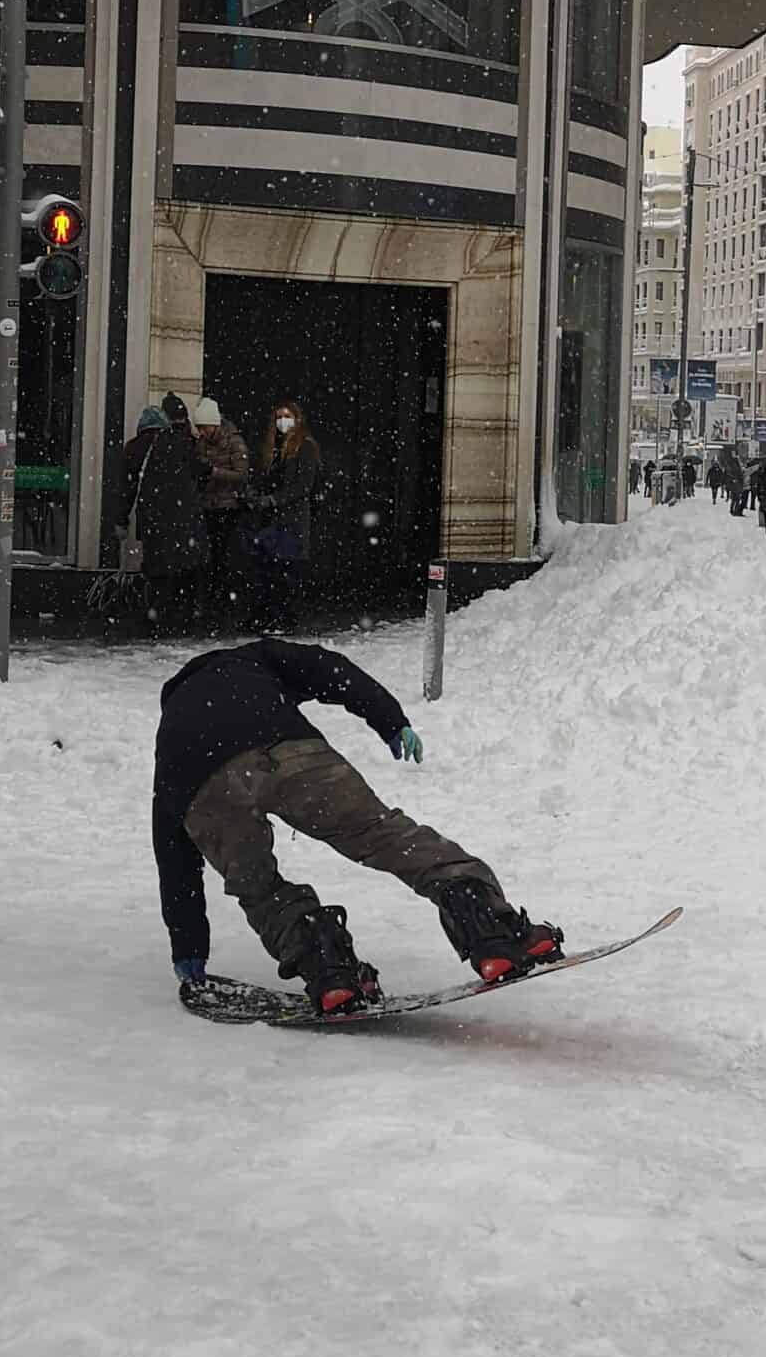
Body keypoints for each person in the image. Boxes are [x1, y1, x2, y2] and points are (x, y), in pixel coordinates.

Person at [152, 637, 562, 1011]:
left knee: (257, 887)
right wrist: (390, 720)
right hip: (287, 750)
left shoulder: (169, 739)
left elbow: (174, 861)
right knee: (381, 835)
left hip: (203, 790)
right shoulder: (251, 659)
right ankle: (491, 932)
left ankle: (330, 971)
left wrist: (188, 952)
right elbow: (332, 670)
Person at [122, 395, 211, 635]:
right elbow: (200, 470)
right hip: (183, 517)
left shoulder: (134, 448)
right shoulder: (180, 442)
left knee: (157, 568)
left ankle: (156, 616)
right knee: (185, 567)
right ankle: (184, 617)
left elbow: (128, 487)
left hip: (153, 518)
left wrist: (121, 519)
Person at [254, 396, 327, 629]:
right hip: (272, 518)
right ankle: (268, 615)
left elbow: (303, 485)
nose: (283, 422)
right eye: (279, 417)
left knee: (287, 571)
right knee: (269, 570)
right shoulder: (273, 448)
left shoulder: (305, 446)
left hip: (292, 519)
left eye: (287, 417)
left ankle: (285, 618)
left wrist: (275, 499)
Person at [191, 396, 252, 628]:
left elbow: (242, 475)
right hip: (209, 507)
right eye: (199, 428)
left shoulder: (234, 442)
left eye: (204, 427)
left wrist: (213, 472)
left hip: (228, 509)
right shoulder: (203, 443)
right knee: (212, 561)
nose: (202, 432)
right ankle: (213, 607)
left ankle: (224, 608)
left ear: (214, 424)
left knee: (225, 560)